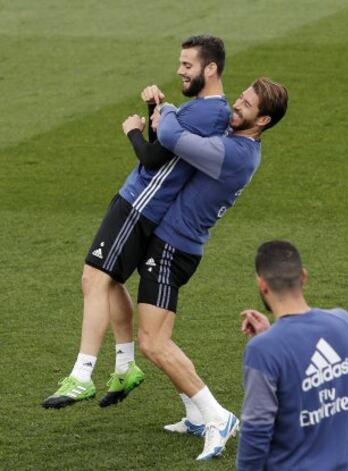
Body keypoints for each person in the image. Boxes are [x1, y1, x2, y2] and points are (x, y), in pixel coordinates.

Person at [42, 35, 231, 409]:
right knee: (109, 283)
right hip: (140, 203)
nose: (180, 70)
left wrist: (133, 128)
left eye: (188, 65)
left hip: (139, 204)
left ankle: (82, 375)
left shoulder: (204, 112)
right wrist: (155, 111)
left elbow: (152, 157)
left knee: (93, 278)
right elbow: (167, 148)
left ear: (211, 69)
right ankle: (126, 367)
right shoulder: (206, 112)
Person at [126, 78, 288, 460]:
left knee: (152, 343)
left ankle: (218, 417)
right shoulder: (242, 146)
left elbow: (170, 135)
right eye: (240, 98)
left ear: (262, 120)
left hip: (172, 248)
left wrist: (160, 109)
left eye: (246, 106)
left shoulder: (234, 153)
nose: (236, 106)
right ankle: (196, 414)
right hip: (179, 245)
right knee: (161, 340)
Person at [237, 241, 348, 470]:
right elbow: (305, 347)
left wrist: (269, 339)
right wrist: (270, 334)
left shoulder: (263, 350)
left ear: (262, 284)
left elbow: (256, 429)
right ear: (303, 276)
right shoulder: (343, 323)